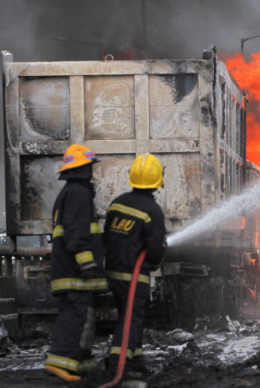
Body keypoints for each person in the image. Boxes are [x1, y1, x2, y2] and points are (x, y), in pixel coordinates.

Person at [44, 144, 108, 382]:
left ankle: (81, 363)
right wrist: (88, 264)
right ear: (83, 168)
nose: (92, 171)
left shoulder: (70, 193)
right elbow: (76, 233)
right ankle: (60, 362)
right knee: (76, 317)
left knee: (81, 316)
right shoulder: (78, 194)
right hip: (75, 273)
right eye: (90, 166)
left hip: (69, 270)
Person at [103, 152, 167, 374]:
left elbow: (107, 236)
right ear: (157, 180)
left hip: (113, 272)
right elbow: (156, 249)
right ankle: (116, 362)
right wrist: (156, 261)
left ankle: (135, 361)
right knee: (132, 319)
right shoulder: (152, 211)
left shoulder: (117, 204)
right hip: (134, 275)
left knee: (127, 315)